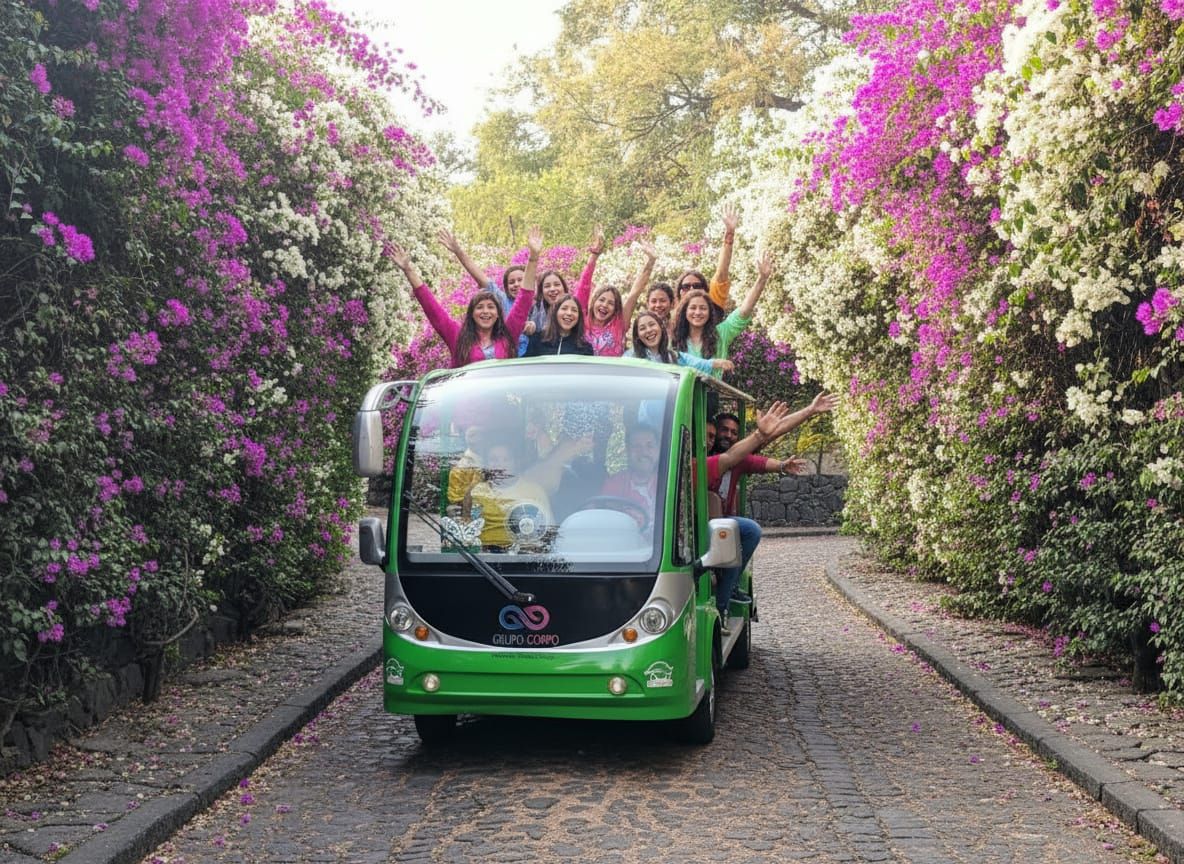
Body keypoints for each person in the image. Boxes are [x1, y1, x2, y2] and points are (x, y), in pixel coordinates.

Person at [389, 237, 537, 368]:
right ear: (472, 314)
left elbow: (524, 300)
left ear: (498, 314)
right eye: (480, 307)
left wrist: (533, 258)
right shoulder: (458, 337)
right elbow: (433, 310)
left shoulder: (508, 335)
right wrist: (408, 270)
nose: (486, 311)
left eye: (491, 307)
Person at [706, 392, 838, 518]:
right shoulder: (703, 458)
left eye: (734, 432)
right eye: (724, 430)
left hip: (725, 522)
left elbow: (772, 433)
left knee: (750, 529)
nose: (728, 435)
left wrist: (811, 410)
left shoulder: (739, 458)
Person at [669, 249, 773, 378]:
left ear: (710, 312)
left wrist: (762, 279)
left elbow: (744, 310)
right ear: (684, 311)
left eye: (703, 308)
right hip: (681, 396)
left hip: (710, 395)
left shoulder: (721, 334)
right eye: (693, 308)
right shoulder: (672, 337)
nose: (698, 312)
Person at [436, 228, 528, 355]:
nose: (516, 285)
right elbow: (479, 276)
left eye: (520, 280)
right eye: (511, 282)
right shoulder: (501, 300)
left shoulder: (540, 305)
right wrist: (458, 251)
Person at [573, 227, 655, 356]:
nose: (605, 305)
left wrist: (650, 261)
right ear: (593, 302)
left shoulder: (619, 324)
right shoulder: (582, 321)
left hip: (612, 375)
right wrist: (594, 256)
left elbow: (634, 294)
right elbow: (583, 287)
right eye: (601, 300)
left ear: (616, 309)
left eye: (611, 303)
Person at [674, 203, 740, 320]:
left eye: (697, 286)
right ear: (680, 293)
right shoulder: (674, 321)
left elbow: (721, 274)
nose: (691, 290)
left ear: (705, 290)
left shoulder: (712, 307)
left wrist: (729, 234)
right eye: (686, 287)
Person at [629, 310, 733, 376]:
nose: (648, 330)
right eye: (642, 328)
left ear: (661, 327)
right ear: (637, 335)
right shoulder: (631, 357)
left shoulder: (673, 356)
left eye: (652, 325)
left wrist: (717, 363)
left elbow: (696, 363)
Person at [524, 293, 595, 356]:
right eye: (564, 308)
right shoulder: (537, 340)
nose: (569, 313)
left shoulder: (585, 348)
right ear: (555, 312)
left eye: (574, 310)